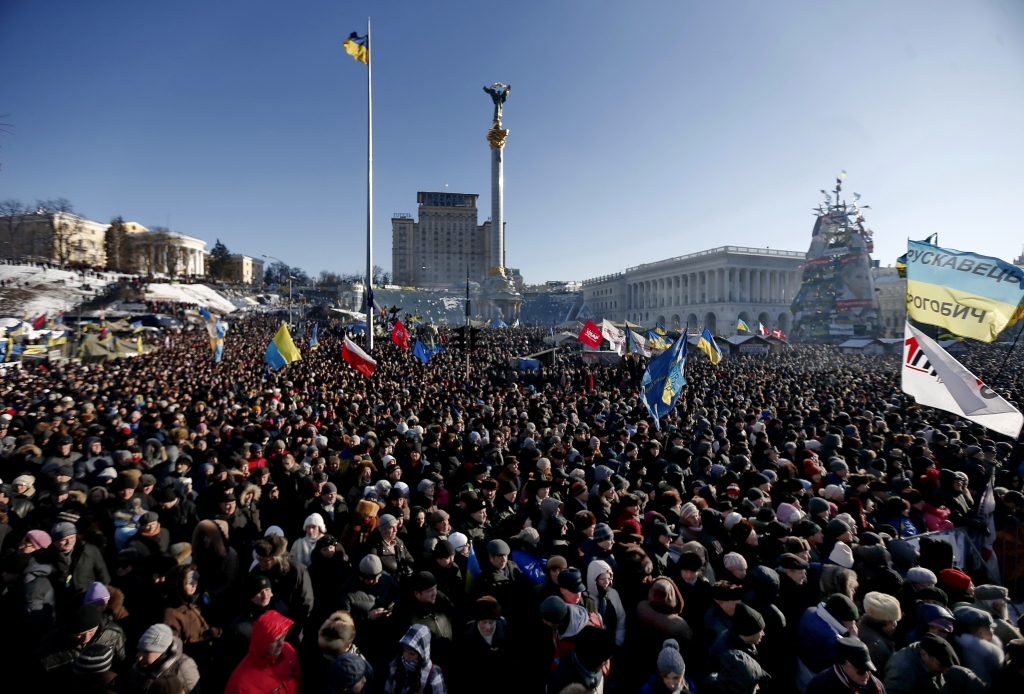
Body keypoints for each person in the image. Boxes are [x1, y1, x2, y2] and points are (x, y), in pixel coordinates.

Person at [224, 610, 301, 694]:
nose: (281, 643)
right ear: (262, 642)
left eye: (283, 636)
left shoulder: (288, 650)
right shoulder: (241, 683)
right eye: (274, 641)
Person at [120, 623, 201, 693]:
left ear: (162, 652)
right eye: (139, 651)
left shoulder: (183, 666)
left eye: (146, 652)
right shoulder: (137, 666)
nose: (139, 657)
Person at [884, 633, 958, 694]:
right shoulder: (902, 671)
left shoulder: (923, 655)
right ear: (924, 654)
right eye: (940, 665)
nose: (944, 671)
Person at [806, 636, 884, 694]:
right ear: (843, 663)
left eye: (869, 671)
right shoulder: (820, 687)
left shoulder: (877, 687)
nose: (866, 676)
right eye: (861, 671)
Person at [384, 624, 446, 694]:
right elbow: (387, 690)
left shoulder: (433, 675)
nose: (406, 657)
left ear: (422, 654)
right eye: (404, 651)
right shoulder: (396, 665)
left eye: (412, 654)